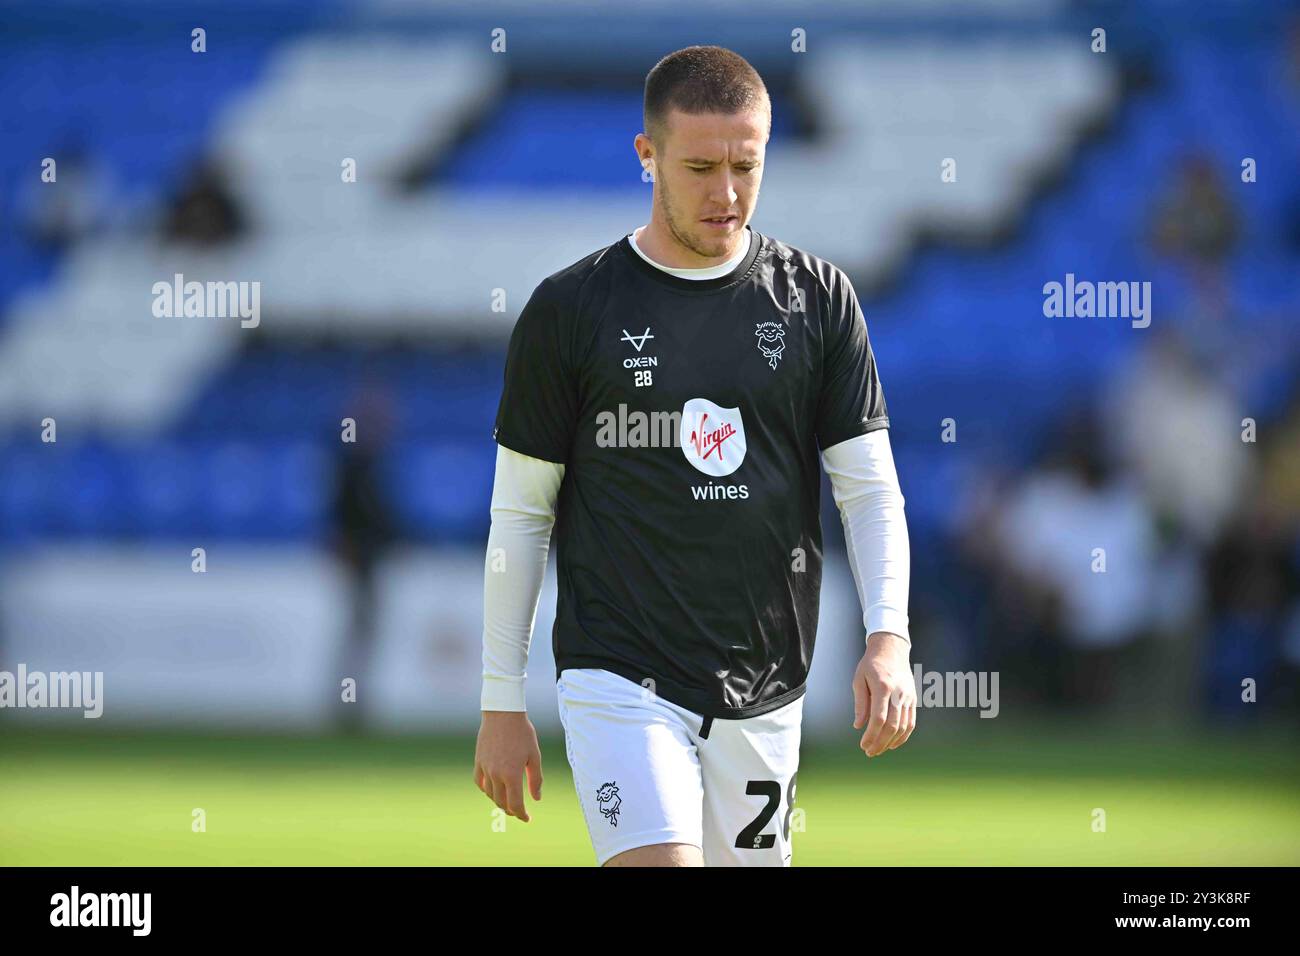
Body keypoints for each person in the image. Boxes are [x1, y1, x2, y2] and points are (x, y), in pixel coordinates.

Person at [473, 46, 914, 867]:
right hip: (620, 677)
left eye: (746, 166)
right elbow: (520, 513)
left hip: (766, 684)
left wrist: (889, 637)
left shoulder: (818, 300)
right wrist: (502, 701)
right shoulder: (571, 310)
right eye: (701, 166)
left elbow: (869, 492)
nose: (726, 193)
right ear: (648, 156)